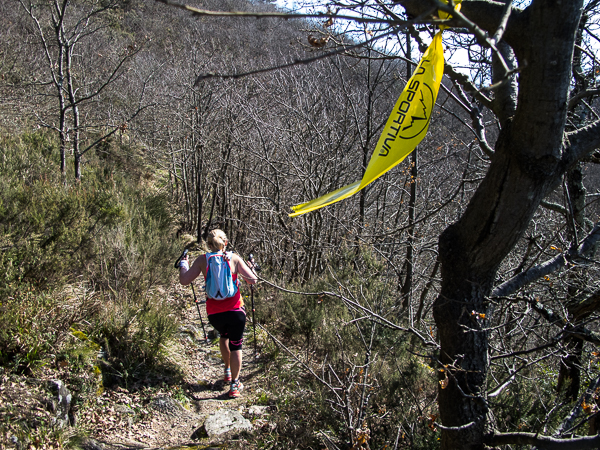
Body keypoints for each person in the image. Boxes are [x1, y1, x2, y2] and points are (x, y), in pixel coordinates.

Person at [178, 229, 257, 398]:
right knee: (236, 345)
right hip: (235, 311)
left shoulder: (202, 260)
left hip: (215, 314)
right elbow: (253, 280)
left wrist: (183, 264)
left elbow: (184, 280)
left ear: (208, 244)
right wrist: (251, 267)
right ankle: (234, 385)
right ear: (225, 243)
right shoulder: (234, 258)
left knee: (224, 335)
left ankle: (227, 371)